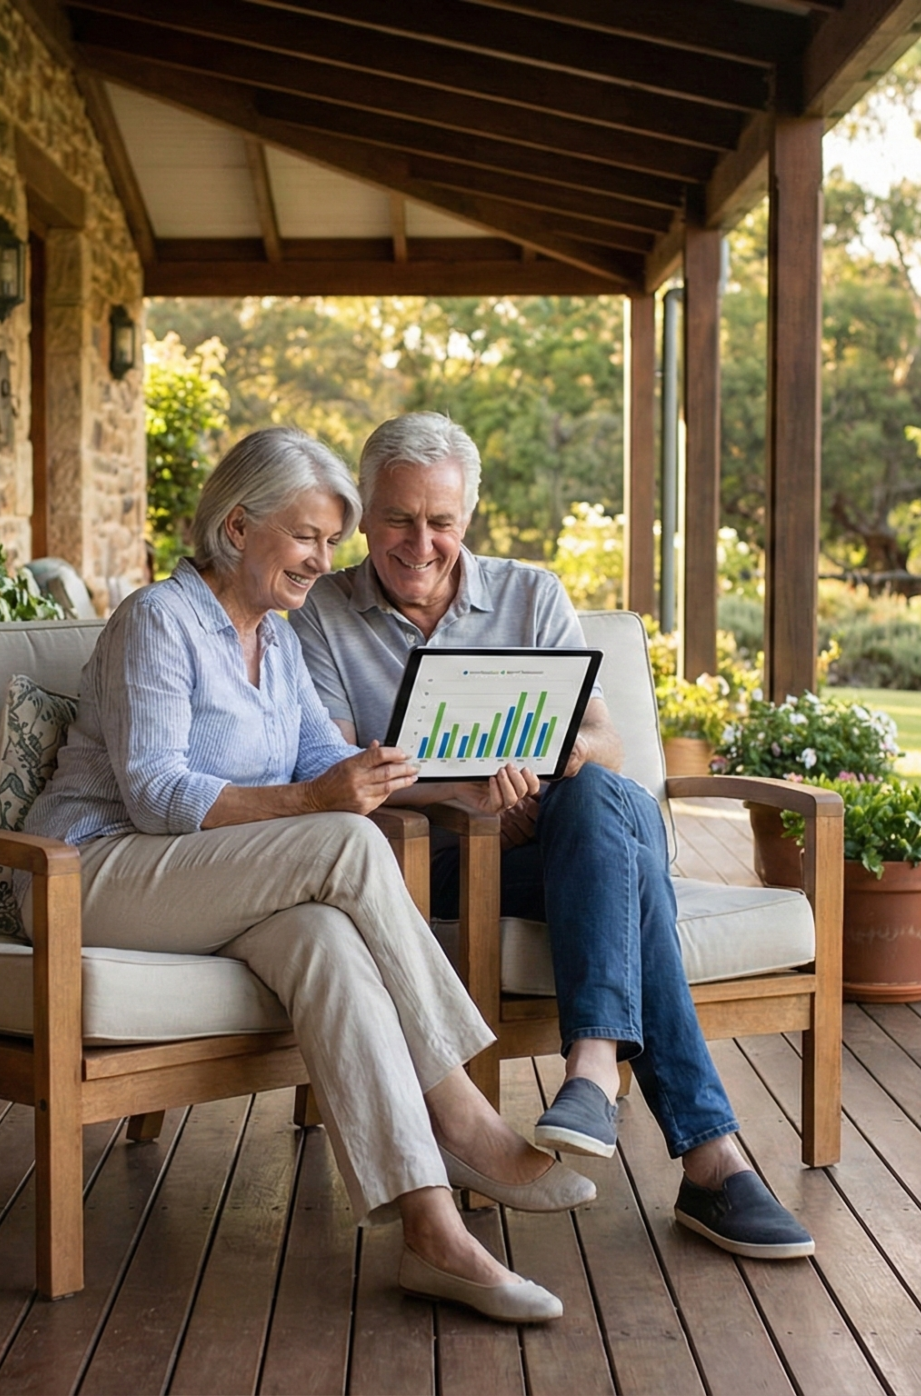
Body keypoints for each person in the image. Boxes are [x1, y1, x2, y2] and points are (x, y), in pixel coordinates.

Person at [20, 425, 591, 1322]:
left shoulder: (279, 642)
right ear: (239, 528)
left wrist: (434, 772)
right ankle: (464, 1112)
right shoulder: (157, 622)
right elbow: (158, 791)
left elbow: (327, 756)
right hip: (91, 872)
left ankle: (433, 1232)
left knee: (325, 937)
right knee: (346, 843)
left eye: (333, 540)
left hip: (207, 878)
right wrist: (316, 800)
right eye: (308, 537)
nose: (326, 560)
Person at [288, 412, 816, 1260]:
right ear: (366, 511)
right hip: (435, 862)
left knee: (598, 795)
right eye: (398, 518)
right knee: (627, 855)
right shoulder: (320, 616)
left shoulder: (531, 594)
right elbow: (340, 770)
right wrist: (473, 794)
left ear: (469, 518)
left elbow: (606, 741)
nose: (421, 542)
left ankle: (596, 1070)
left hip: (554, 846)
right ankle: (701, 1151)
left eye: (442, 521)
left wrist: (556, 756)